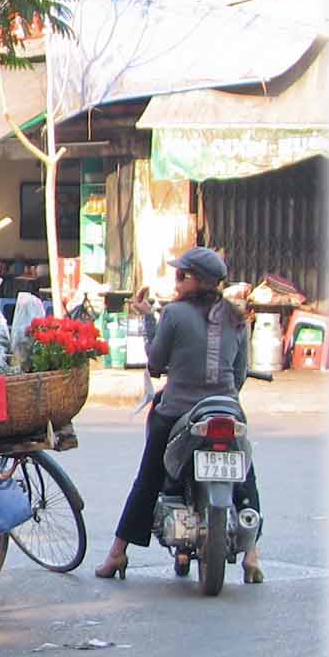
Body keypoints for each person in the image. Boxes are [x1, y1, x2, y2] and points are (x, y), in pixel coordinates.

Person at [95, 246, 262, 583]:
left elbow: (156, 364)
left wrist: (147, 319)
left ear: (197, 281)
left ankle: (117, 553)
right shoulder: (236, 317)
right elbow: (241, 373)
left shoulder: (174, 314)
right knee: (245, 475)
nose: (176, 281)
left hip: (177, 411)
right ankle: (253, 556)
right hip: (227, 409)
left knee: (148, 478)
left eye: (181, 275)